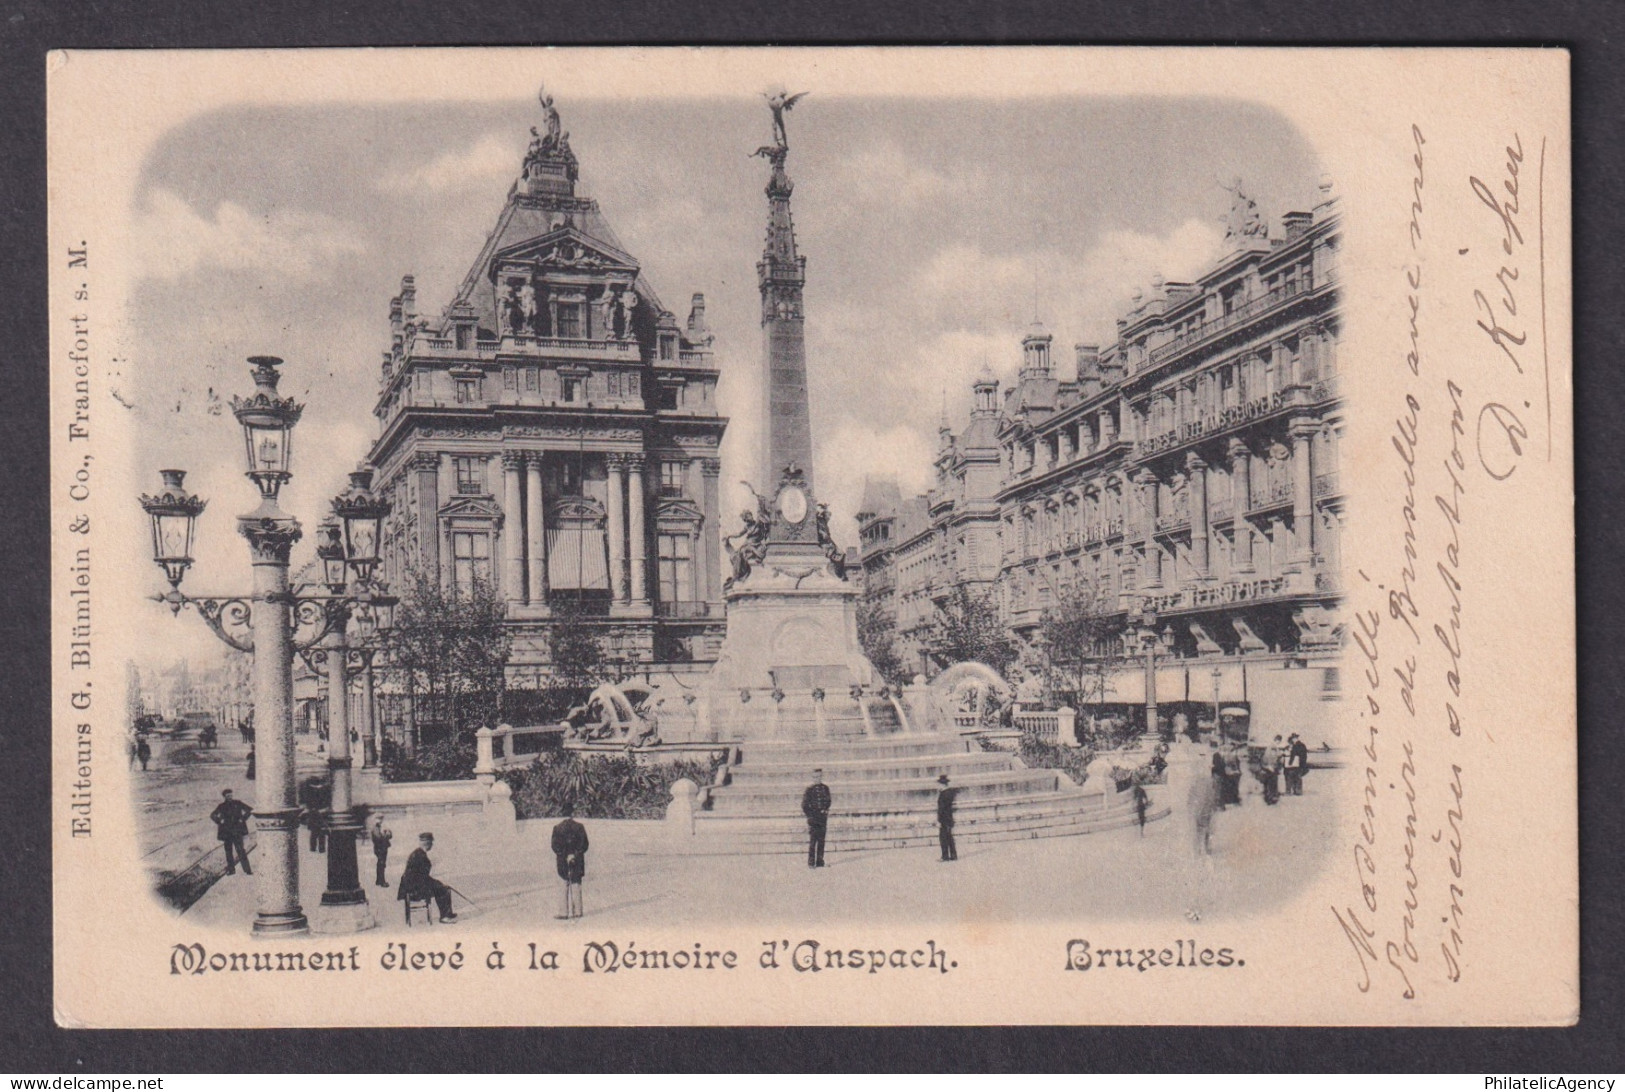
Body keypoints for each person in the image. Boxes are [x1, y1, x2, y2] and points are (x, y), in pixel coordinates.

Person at [397, 832, 456, 923]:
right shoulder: (421, 856)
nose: (432, 845)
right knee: (444, 890)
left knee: (440, 886)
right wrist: (438, 884)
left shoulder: (417, 853)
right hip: (415, 889)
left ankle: (448, 913)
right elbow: (422, 878)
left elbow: (421, 876)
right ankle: (445, 916)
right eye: (431, 843)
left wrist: (437, 882)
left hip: (411, 886)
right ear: (428, 843)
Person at [550, 804, 589, 920]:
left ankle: (563, 912)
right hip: (577, 860)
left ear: (562, 813)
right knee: (576, 884)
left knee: (563, 885)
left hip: (562, 861)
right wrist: (574, 854)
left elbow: (555, 846)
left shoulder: (557, 828)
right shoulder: (579, 827)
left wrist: (564, 855)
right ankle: (578, 911)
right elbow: (585, 844)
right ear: (572, 813)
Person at [209, 788, 254, 876]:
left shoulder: (238, 803)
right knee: (228, 852)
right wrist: (219, 821)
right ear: (224, 797)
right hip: (227, 833)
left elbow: (250, 810)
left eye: (231, 795)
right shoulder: (221, 806)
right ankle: (231, 870)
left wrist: (242, 819)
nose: (230, 797)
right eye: (227, 796)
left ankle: (247, 870)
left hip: (237, 831)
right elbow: (212, 815)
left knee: (241, 850)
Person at [801, 769, 831, 868]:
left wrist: (825, 810)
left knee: (821, 840)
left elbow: (828, 801)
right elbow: (804, 805)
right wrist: (810, 815)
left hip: (822, 818)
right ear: (812, 778)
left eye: (819, 776)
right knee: (813, 841)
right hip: (813, 818)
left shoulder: (825, 788)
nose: (817, 779)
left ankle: (820, 861)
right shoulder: (809, 790)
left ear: (821, 777)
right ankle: (811, 862)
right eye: (815, 777)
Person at [935, 774, 959, 862]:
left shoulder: (943, 794)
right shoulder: (950, 793)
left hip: (944, 819)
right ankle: (953, 855)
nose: (938, 786)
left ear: (942, 784)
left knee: (943, 837)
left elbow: (941, 808)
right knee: (949, 836)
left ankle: (945, 856)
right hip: (949, 817)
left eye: (939, 784)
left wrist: (939, 820)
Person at [369, 813, 392, 888]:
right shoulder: (375, 828)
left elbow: (390, 835)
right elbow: (379, 838)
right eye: (379, 819)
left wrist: (387, 833)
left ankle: (379, 880)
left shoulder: (380, 827)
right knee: (381, 864)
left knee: (381, 864)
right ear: (375, 819)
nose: (380, 820)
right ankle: (382, 881)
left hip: (383, 848)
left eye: (381, 819)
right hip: (379, 848)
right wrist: (386, 834)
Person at [1261, 735, 1284, 805]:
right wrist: (1270, 766)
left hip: (1271, 767)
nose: (1279, 742)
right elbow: (1271, 758)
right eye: (1279, 741)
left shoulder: (1272, 747)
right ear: (1277, 740)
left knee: (1271, 783)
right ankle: (1270, 799)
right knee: (1272, 784)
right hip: (1271, 768)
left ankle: (1270, 798)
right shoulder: (1273, 747)